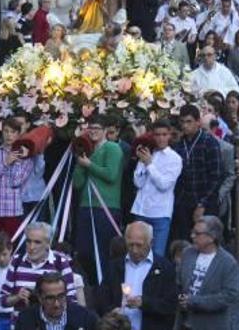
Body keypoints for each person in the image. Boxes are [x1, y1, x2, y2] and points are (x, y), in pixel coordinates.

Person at [95, 221, 176, 330]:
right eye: (130, 244)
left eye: (139, 245)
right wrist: (111, 311)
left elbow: (170, 305)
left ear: (151, 242)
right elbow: (101, 295)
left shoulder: (165, 268)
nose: (134, 250)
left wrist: (144, 303)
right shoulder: (115, 266)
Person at [173, 216, 239, 330]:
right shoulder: (188, 254)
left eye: (197, 233)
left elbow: (229, 296)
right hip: (186, 326)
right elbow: (177, 282)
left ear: (212, 237)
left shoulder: (228, 262)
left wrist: (194, 301)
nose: (192, 236)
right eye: (192, 232)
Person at [10, 272, 101, 330]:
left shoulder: (86, 319)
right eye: (50, 298)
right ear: (40, 298)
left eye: (61, 296)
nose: (57, 304)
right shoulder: (26, 320)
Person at [73, 114, 124, 280]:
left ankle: (105, 285)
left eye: (97, 129)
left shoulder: (112, 148)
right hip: (86, 206)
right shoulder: (87, 150)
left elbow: (111, 175)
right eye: (90, 129)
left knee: (102, 250)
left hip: (106, 207)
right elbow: (77, 183)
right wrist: (81, 164)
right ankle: (90, 285)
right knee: (85, 250)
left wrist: (89, 165)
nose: (93, 132)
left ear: (105, 131)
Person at [130, 120, 183, 256]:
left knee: (157, 255)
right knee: (137, 254)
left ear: (169, 135)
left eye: (164, 134)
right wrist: (142, 163)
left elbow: (164, 185)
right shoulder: (148, 152)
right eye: (157, 135)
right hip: (141, 210)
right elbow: (138, 182)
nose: (160, 138)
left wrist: (149, 164)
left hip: (160, 213)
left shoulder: (175, 158)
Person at [0, 222, 77, 314]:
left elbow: (72, 301)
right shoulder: (16, 261)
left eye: (37, 242)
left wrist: (48, 298)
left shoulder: (60, 263)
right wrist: (18, 297)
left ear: (48, 243)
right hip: (21, 325)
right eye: (28, 241)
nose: (32, 247)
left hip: (52, 325)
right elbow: (3, 300)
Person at [173, 105, 222, 241]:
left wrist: (202, 204)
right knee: (185, 242)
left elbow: (216, 176)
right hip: (183, 202)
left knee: (206, 240)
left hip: (205, 202)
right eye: (182, 122)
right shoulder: (178, 145)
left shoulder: (209, 142)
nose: (185, 126)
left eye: (189, 122)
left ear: (198, 122)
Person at [0, 118, 34, 238]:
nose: (9, 135)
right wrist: (5, 163)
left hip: (13, 210)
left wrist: (17, 162)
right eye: (6, 131)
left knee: (12, 248)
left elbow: (15, 182)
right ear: (2, 132)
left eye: (13, 132)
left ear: (19, 134)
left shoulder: (26, 158)